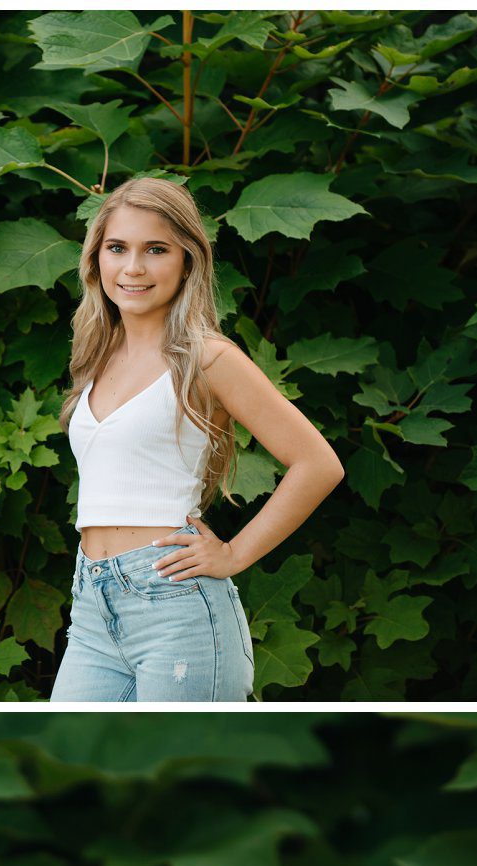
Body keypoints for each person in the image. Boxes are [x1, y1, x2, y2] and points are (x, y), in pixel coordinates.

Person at [51, 177, 343, 703]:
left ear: (188, 261)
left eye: (155, 250)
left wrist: (232, 554)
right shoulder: (96, 355)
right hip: (93, 603)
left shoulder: (206, 356)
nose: (133, 267)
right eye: (117, 248)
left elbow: (318, 463)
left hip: (175, 603)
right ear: (96, 260)